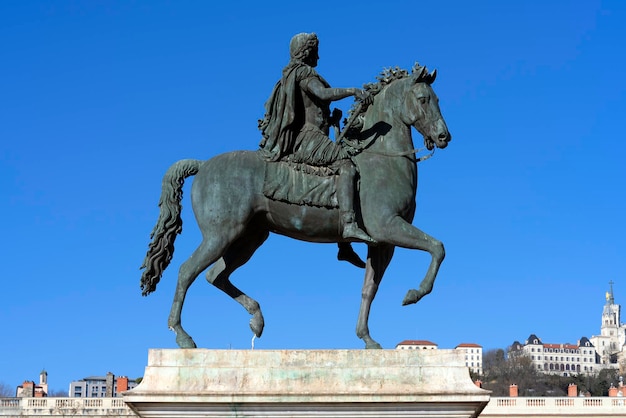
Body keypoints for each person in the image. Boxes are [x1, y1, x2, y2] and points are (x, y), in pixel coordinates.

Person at [258, 32, 374, 267]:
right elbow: (321, 94)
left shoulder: (296, 74)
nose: (318, 55)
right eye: (315, 50)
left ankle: (344, 246)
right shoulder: (302, 72)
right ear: (307, 51)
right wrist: (352, 91)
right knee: (347, 166)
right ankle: (349, 224)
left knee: (340, 170)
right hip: (307, 138)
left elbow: (314, 107)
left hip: (315, 134)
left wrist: (332, 118)